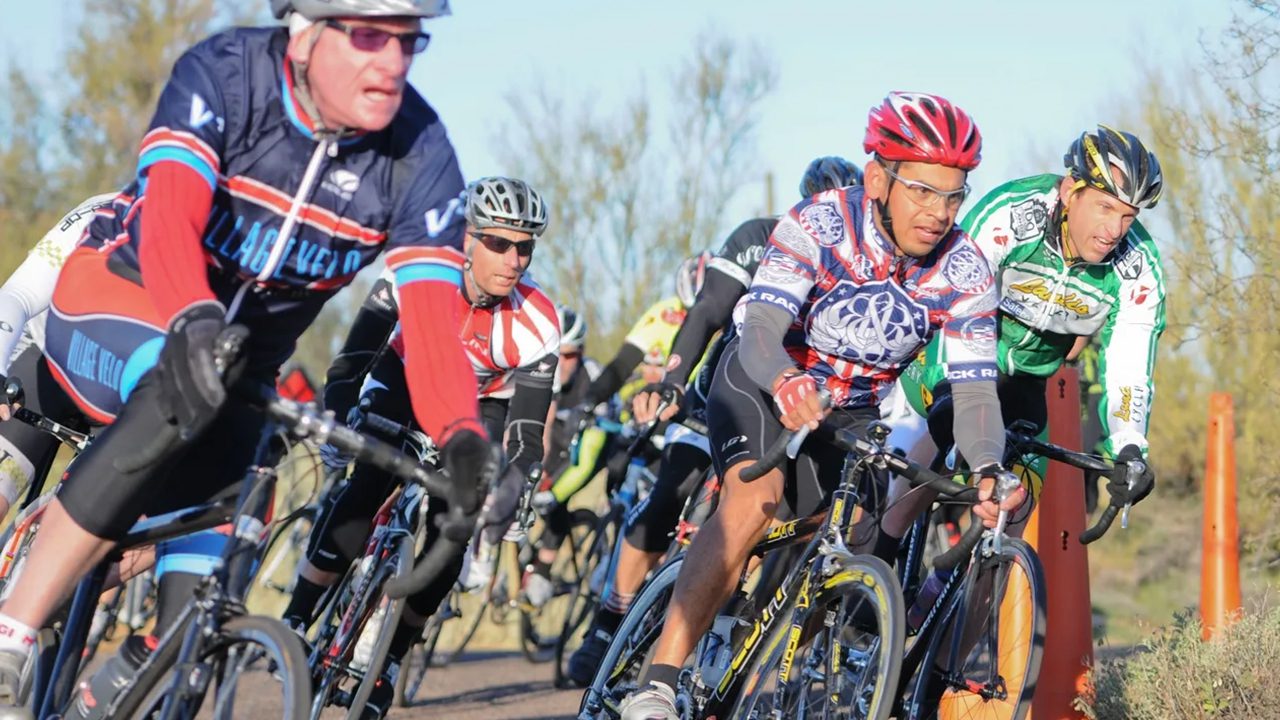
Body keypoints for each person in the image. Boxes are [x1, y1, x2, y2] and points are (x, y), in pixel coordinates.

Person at [0, 1, 493, 712]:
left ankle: (97, 697)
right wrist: (193, 319)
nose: (391, 62)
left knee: (191, 636)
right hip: (122, 299)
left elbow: (434, 329)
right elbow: (169, 220)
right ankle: (12, 634)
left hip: (239, 372)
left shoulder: (421, 153)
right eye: (366, 36)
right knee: (175, 389)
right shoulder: (227, 75)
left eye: (408, 42)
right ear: (304, 33)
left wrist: (465, 437)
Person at [616, 91, 1021, 719]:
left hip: (848, 409)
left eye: (953, 194)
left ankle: (765, 652)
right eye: (922, 191)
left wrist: (989, 466)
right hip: (763, 377)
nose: (939, 213)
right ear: (878, 177)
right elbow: (758, 333)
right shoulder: (820, 222)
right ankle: (659, 681)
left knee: (853, 532)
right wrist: (784, 382)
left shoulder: (965, 271)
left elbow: (972, 392)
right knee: (754, 500)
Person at [563, 155, 863, 686]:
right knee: (667, 494)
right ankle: (607, 625)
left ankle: (727, 629)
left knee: (768, 525)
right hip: (719, 396)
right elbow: (706, 311)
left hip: (796, 413)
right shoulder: (762, 236)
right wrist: (673, 383)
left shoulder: (863, 267)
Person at [281, 176, 557, 718]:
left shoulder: (537, 321)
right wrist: (340, 414)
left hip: (479, 407)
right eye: (499, 243)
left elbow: (525, 430)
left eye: (525, 246)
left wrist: (518, 480)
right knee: (369, 481)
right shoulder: (414, 274)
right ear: (468, 239)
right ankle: (296, 616)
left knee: (453, 535)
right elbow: (353, 359)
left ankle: (389, 660)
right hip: (403, 380)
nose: (514, 259)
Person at [890, 126, 1164, 611]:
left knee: (1012, 515)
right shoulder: (1012, 216)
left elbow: (1130, 364)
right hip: (960, 353)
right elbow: (951, 298)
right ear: (1068, 190)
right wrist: (951, 387)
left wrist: (1129, 446)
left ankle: (941, 680)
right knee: (928, 452)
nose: (1114, 230)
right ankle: (867, 564)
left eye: (1128, 216)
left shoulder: (1137, 267)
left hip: (1027, 381)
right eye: (1104, 207)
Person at [0, 194, 115, 520]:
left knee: (103, 546)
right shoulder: (102, 210)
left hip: (130, 399)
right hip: (48, 367)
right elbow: (17, 294)